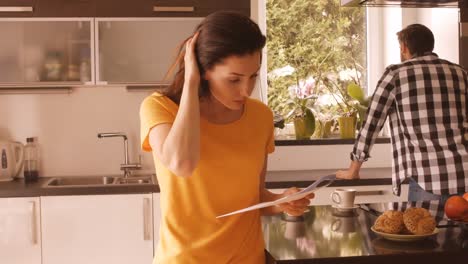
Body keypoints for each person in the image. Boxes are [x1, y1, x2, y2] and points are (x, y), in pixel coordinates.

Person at [140, 11, 313, 264]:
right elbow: (181, 164)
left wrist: (282, 202)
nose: (246, 90)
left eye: (253, 76)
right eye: (233, 79)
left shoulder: (261, 117)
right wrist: (190, 82)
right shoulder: (161, 108)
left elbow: (255, 197)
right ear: (203, 70)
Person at [337, 24, 468, 203]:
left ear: (404, 47)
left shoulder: (396, 74)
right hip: (464, 175)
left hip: (427, 180)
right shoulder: (460, 73)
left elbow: (372, 123)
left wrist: (354, 169)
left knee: (425, 230)